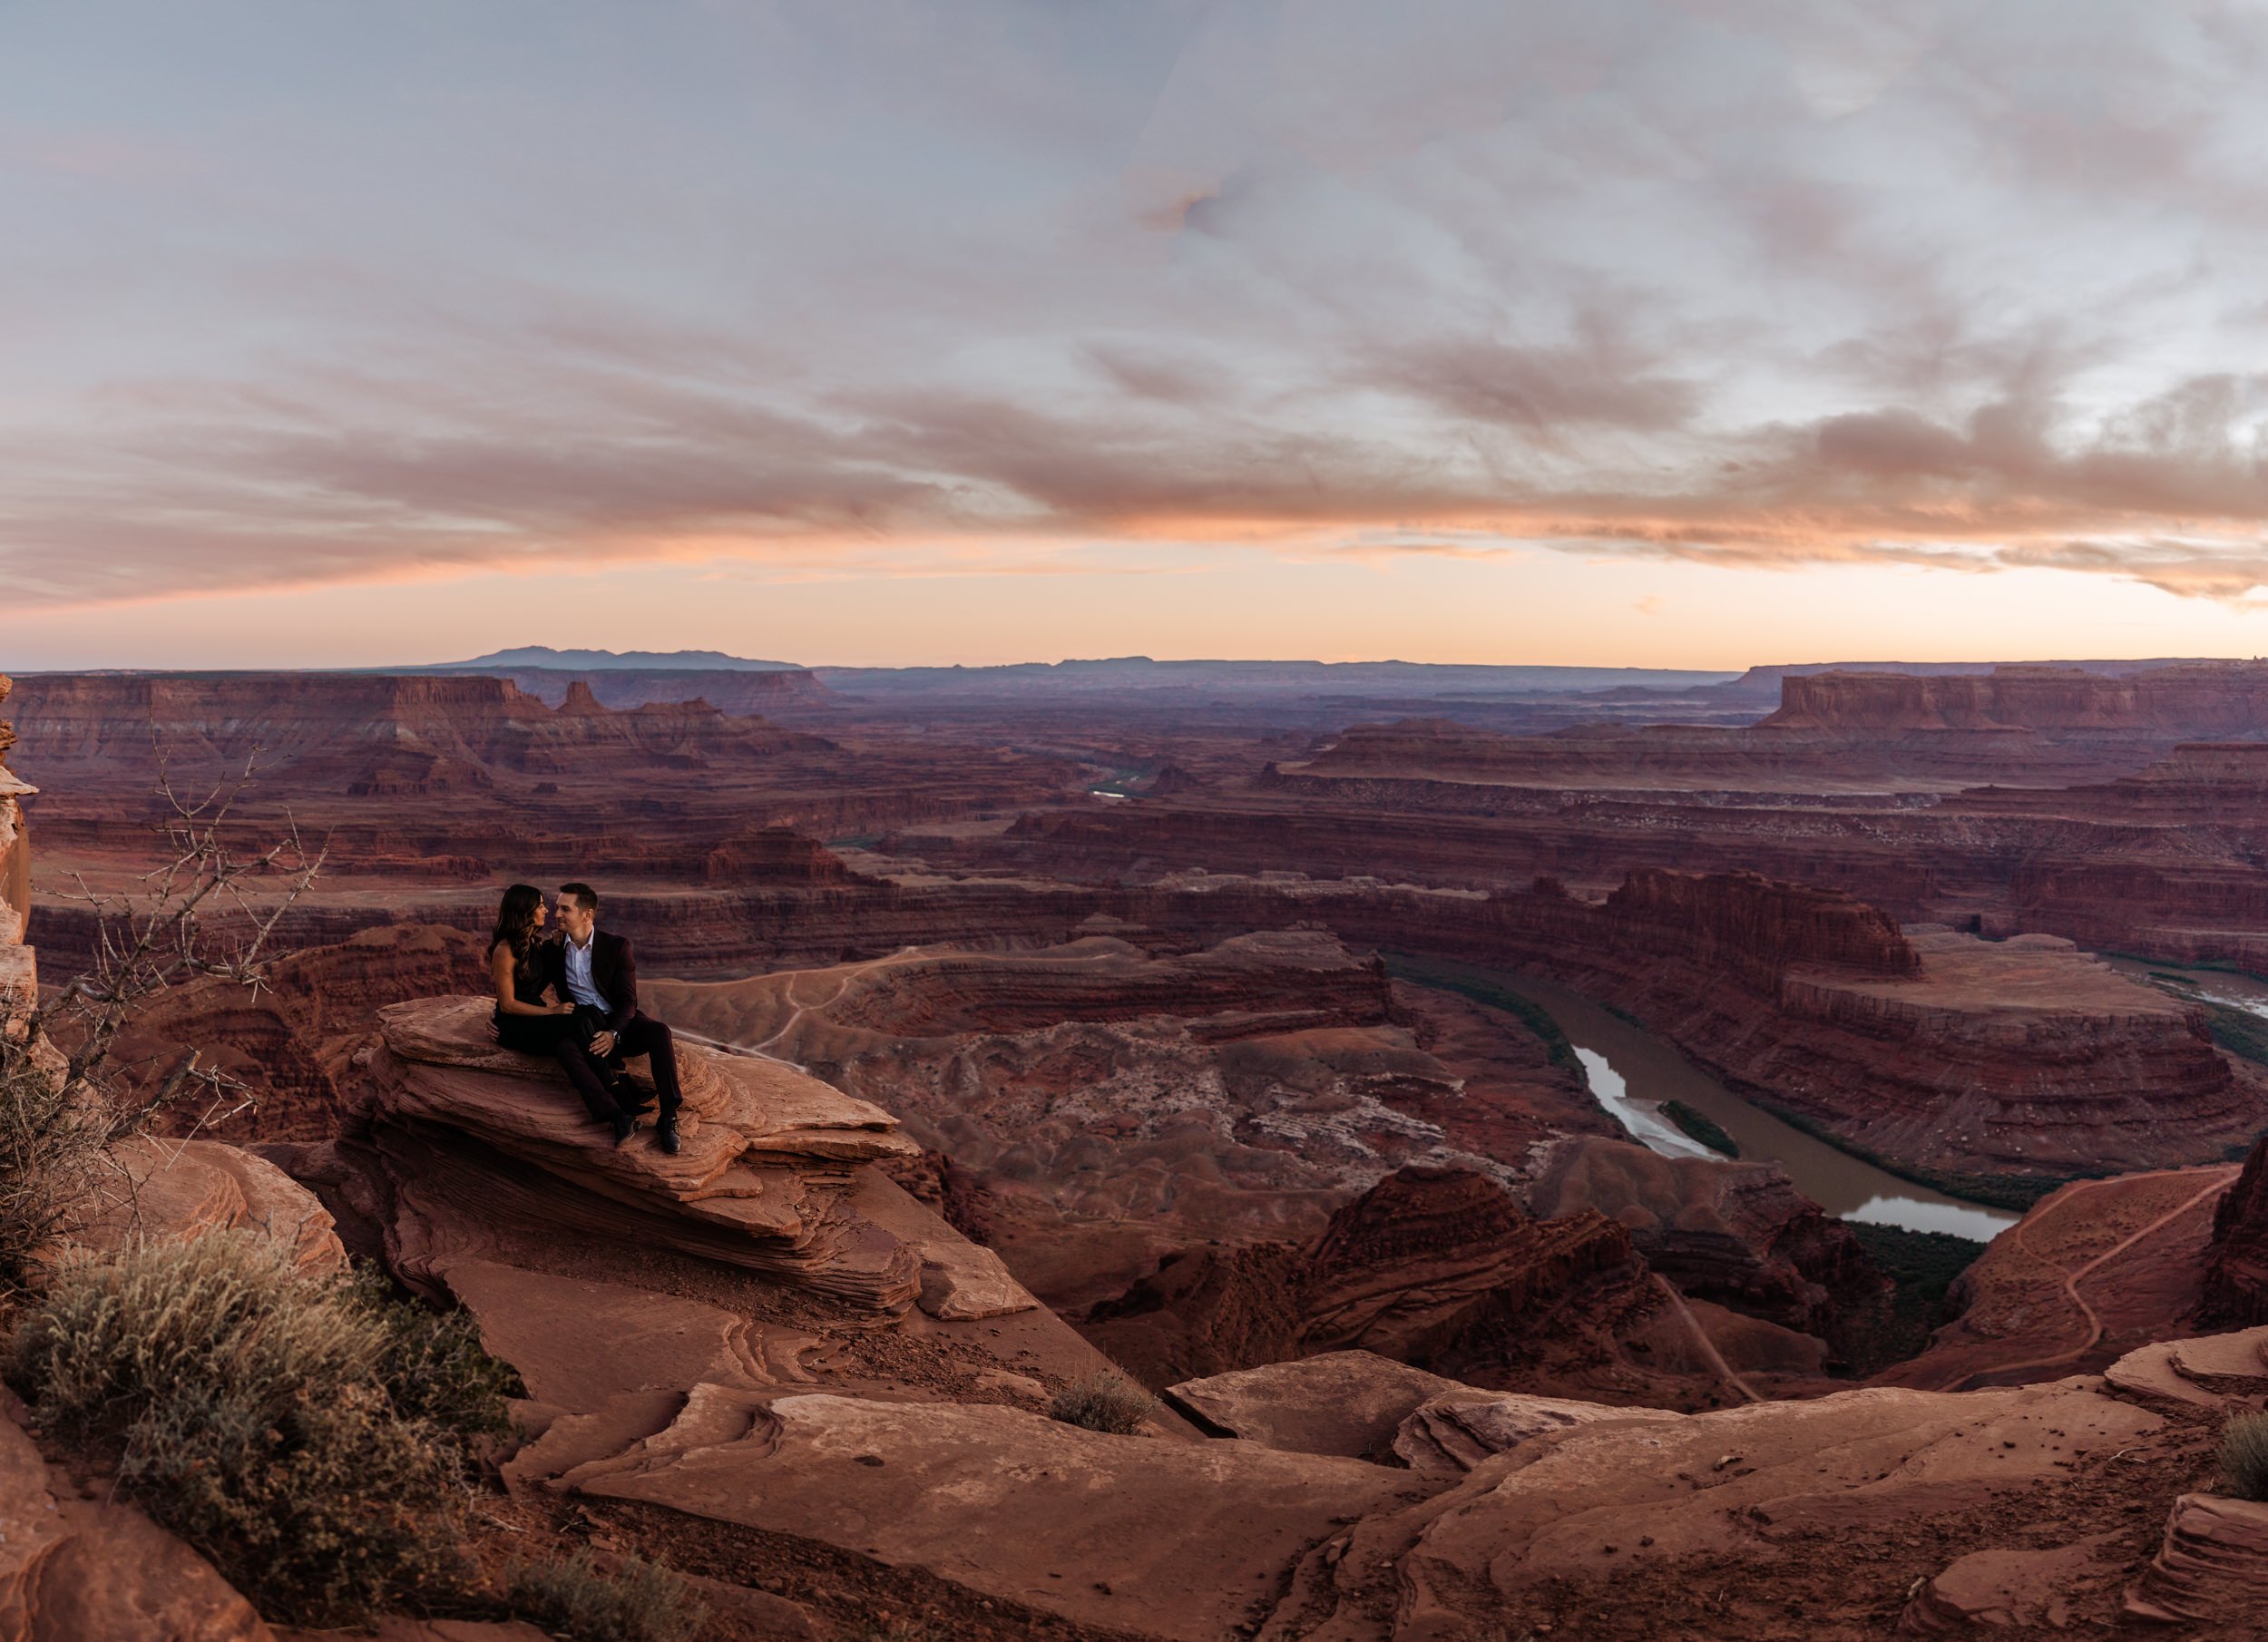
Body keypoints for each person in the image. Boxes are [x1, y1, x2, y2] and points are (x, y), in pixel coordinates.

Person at [487, 881, 645, 1148]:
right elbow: (508, 1005)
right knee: (580, 1020)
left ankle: (617, 1115)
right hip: (516, 1025)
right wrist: (551, 1011)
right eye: (540, 905)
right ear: (525, 911)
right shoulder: (505, 950)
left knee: (570, 1045)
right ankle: (619, 1086)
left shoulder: (534, 944)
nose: (547, 911)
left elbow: (546, 974)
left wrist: (558, 945)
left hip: (535, 1020)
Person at [538, 881, 684, 1156]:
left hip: (619, 1024)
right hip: (584, 1027)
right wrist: (502, 1013)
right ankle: (618, 1116)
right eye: (556, 908)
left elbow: (629, 1002)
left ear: (587, 915)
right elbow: (528, 988)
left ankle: (668, 1116)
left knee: (659, 1032)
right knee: (565, 1050)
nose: (555, 914)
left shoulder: (617, 947)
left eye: (564, 909)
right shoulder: (553, 949)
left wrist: (614, 1034)